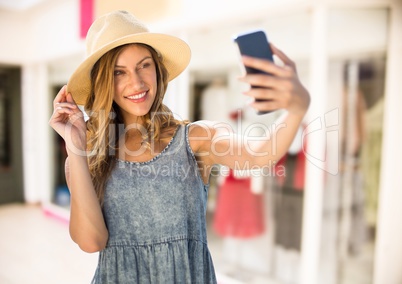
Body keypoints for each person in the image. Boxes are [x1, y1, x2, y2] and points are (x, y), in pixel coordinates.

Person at [49, 10, 310, 284]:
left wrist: (296, 110)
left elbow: (259, 155)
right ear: (104, 82)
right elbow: (92, 242)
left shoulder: (195, 138)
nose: (136, 82)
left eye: (144, 65)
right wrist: (75, 147)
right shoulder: (85, 156)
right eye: (119, 72)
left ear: (158, 70)